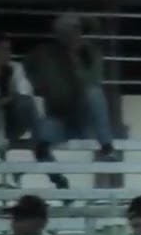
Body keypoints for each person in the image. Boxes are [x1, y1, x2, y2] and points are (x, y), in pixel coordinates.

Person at [0, 33, 67, 190]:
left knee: (26, 102)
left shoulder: (16, 68)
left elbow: (25, 92)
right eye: (3, 49)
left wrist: (7, 94)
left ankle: (43, 150)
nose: (7, 54)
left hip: (12, 124)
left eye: (8, 50)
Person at [25, 14, 116, 159]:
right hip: (60, 118)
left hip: (84, 120)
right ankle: (44, 154)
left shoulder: (90, 54)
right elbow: (29, 68)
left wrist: (76, 63)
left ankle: (107, 146)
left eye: (76, 31)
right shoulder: (49, 55)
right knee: (47, 126)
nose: (74, 36)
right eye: (68, 32)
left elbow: (92, 82)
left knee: (94, 93)